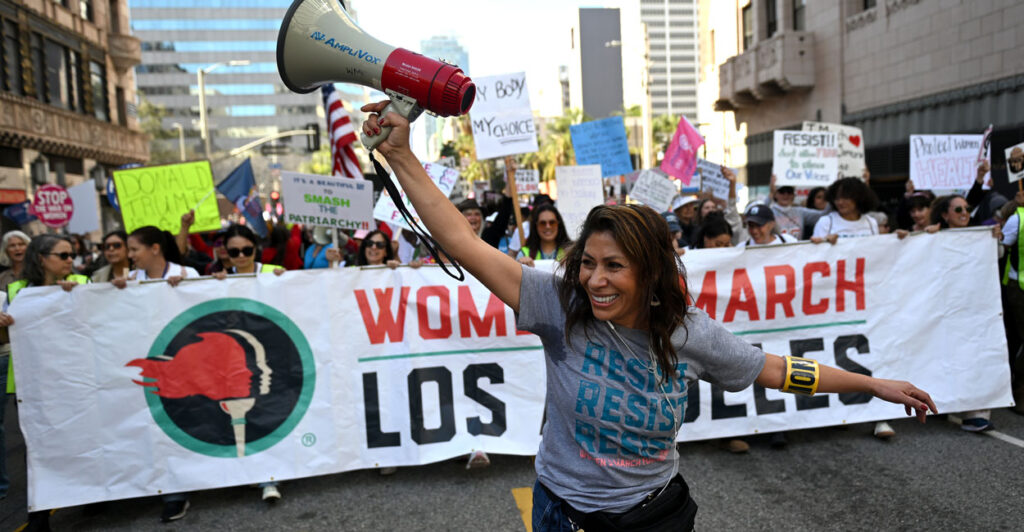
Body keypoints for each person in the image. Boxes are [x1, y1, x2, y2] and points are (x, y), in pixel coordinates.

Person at [361, 100, 936, 530]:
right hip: (564, 513)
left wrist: (871, 384)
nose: (595, 280)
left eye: (614, 266)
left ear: (651, 272)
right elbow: (463, 242)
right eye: (588, 263)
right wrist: (401, 154)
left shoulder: (688, 332)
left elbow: (781, 371)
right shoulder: (558, 305)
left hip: (652, 517)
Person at [0, 234, 87, 531]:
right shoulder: (17, 291)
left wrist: (76, 297)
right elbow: (6, 338)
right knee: (36, 448)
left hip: (75, 378)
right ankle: (38, 514)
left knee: (81, 437)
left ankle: (92, 493)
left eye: (71, 255)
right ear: (41, 258)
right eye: (62, 255)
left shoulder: (82, 282)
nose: (69, 261)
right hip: (32, 383)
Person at [209, 225, 285, 501]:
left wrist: (284, 281)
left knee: (266, 417)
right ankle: (250, 473)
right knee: (242, 420)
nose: (241, 256)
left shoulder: (273, 272)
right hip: (233, 364)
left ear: (256, 248)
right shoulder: (217, 280)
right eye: (233, 252)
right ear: (225, 254)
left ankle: (269, 478)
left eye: (246, 250)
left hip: (268, 359)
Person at [0, 230, 29, 501]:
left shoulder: (39, 275)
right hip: (9, 353)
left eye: (21, 244)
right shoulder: (2, 280)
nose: (17, 248)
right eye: (12, 245)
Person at [811, 177, 880, 243]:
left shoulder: (871, 223)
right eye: (837, 198)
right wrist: (824, 242)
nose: (840, 202)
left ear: (859, 198)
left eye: (845, 198)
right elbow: (817, 252)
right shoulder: (826, 222)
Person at [768, 175, 825, 240]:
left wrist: (833, 190)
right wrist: (770, 194)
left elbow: (823, 214)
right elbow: (756, 212)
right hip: (777, 249)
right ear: (775, 194)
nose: (786, 195)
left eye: (789, 192)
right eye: (782, 192)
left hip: (796, 249)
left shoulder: (800, 211)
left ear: (793, 195)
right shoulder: (769, 211)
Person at [331, 229, 401, 268]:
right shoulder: (352, 270)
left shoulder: (392, 270)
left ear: (386, 252)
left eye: (379, 245)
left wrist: (397, 268)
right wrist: (330, 261)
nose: (374, 247)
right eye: (370, 243)